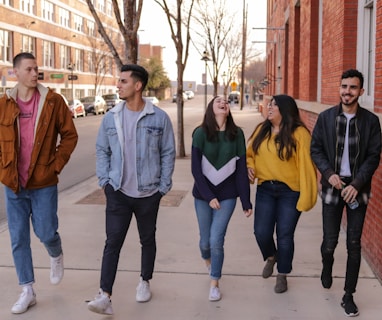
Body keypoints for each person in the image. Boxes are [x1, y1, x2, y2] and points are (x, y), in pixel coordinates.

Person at [87, 64, 176, 315]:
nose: (118, 85)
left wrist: (162, 186)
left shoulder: (159, 118)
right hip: (118, 192)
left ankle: (144, 280)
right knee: (112, 242)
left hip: (149, 193)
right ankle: (105, 295)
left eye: (123, 81)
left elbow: (168, 151)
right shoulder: (111, 116)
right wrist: (105, 182)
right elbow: (102, 150)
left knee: (147, 239)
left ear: (137, 86)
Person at [0, 52, 78, 314]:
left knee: (45, 232)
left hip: (43, 183)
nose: (36, 74)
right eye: (30, 69)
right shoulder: (4, 104)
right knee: (18, 238)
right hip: (13, 184)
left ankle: (55, 253)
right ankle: (27, 289)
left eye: (37, 69)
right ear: (16, 73)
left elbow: (69, 136)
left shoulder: (53, 102)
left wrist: (55, 165)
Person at [310, 69, 381, 317]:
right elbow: (315, 149)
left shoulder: (371, 122)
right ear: (339, 88)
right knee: (330, 242)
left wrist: (357, 183)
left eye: (352, 87)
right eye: (344, 86)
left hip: (357, 188)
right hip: (332, 185)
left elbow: (373, 157)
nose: (347, 91)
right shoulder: (326, 118)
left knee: (354, 243)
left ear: (361, 91)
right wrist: (328, 173)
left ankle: (348, 295)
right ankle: (326, 266)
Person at [246, 94, 317, 294]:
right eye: (269, 104)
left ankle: (283, 274)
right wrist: (249, 167)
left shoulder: (300, 134)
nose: (269, 108)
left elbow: (307, 167)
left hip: (290, 192)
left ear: (285, 110)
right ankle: (271, 256)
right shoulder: (261, 130)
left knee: (285, 235)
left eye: (274, 106)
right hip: (265, 189)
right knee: (261, 232)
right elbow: (249, 155)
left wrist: (307, 196)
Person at [191, 96, 252, 302]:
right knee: (204, 243)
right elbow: (196, 171)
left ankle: (214, 282)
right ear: (211, 108)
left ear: (228, 109)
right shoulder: (200, 134)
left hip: (227, 196)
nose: (223, 102)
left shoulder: (237, 134)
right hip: (202, 195)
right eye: (218, 101)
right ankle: (209, 261)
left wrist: (246, 201)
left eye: (226, 101)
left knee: (217, 240)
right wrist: (208, 197)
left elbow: (242, 171)